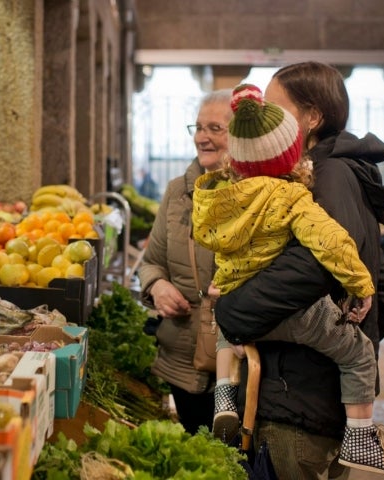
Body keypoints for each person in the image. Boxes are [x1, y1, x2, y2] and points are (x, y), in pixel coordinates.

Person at [192, 84, 384, 475]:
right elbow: (332, 243)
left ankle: (224, 397)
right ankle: (361, 439)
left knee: (224, 327)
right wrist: (361, 288)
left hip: (243, 302)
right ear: (288, 154)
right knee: (357, 353)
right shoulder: (291, 198)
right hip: (296, 317)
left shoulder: (216, 196)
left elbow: (213, 243)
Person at [137, 89, 232, 435]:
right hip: (182, 362)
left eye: (216, 128)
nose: (203, 137)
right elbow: (151, 262)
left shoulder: (262, 193)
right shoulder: (178, 193)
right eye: (199, 127)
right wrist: (156, 286)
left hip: (237, 370)